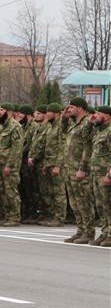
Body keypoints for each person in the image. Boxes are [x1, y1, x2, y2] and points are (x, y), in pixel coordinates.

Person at [62, 97, 96, 243]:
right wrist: (64, 119)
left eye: (71, 107)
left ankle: (89, 232)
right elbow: (62, 133)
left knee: (84, 201)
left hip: (80, 169)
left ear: (80, 108)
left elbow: (88, 146)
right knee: (75, 202)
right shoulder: (73, 123)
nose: (69, 110)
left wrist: (83, 168)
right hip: (70, 168)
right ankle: (80, 230)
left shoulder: (88, 122)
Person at [0, 103, 25, 227]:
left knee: (11, 191)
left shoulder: (15, 127)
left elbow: (16, 149)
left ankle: (15, 217)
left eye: (1, 110)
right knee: (2, 191)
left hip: (9, 165)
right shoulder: (1, 126)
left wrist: (9, 165)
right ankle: (7, 215)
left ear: (9, 112)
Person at [88, 106, 111, 247]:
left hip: (106, 173)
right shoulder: (99, 130)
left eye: (98, 113)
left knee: (108, 205)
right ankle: (105, 232)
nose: (95, 115)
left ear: (107, 116)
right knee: (100, 205)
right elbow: (85, 138)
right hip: (96, 174)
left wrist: (109, 173)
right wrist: (90, 123)